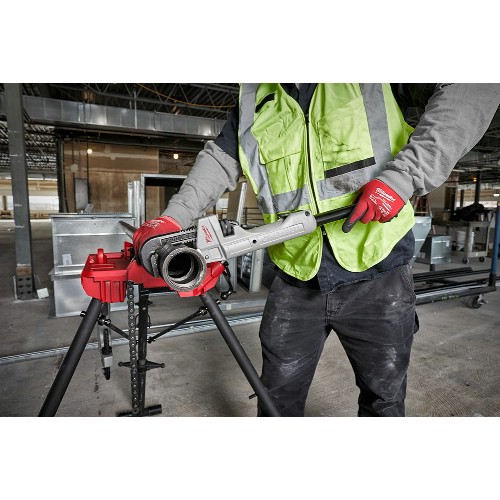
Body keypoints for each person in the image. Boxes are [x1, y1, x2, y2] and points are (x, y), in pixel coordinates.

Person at [133, 83, 500, 417]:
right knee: (276, 400)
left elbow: (475, 85)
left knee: (384, 399)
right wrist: (172, 218)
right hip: (295, 278)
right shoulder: (255, 97)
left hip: (378, 271)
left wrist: (403, 177)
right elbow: (220, 159)